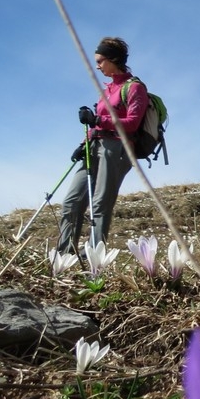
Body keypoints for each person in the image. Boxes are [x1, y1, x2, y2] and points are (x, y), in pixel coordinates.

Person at [56, 37, 149, 255]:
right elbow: (98, 120)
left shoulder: (135, 88)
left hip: (117, 149)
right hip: (95, 146)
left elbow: (132, 123)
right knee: (71, 202)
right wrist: (84, 142)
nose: (97, 66)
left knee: (100, 204)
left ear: (114, 59)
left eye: (100, 61)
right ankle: (63, 257)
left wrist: (97, 120)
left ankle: (94, 261)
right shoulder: (107, 90)